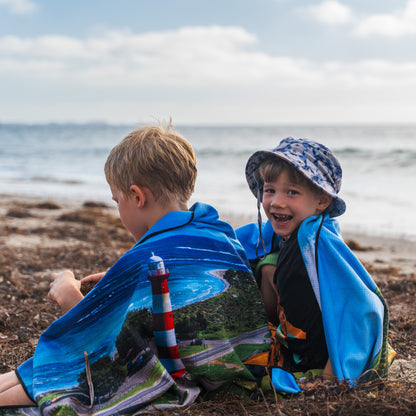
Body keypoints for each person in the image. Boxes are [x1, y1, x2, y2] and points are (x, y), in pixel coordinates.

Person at [0, 123, 269, 414]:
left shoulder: (144, 259)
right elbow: (176, 303)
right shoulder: (219, 234)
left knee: (57, 370)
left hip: (174, 379)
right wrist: (123, 289)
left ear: (137, 196)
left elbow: (102, 340)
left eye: (117, 201)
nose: (118, 211)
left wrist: (67, 293)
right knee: (34, 370)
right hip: (241, 371)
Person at [236, 137, 395, 393]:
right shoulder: (290, 233)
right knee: (267, 265)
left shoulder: (318, 241)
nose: (276, 202)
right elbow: (250, 240)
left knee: (243, 374)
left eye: (292, 192)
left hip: (317, 358)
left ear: (321, 201)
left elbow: (362, 306)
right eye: (269, 190)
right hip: (293, 334)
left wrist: (332, 377)